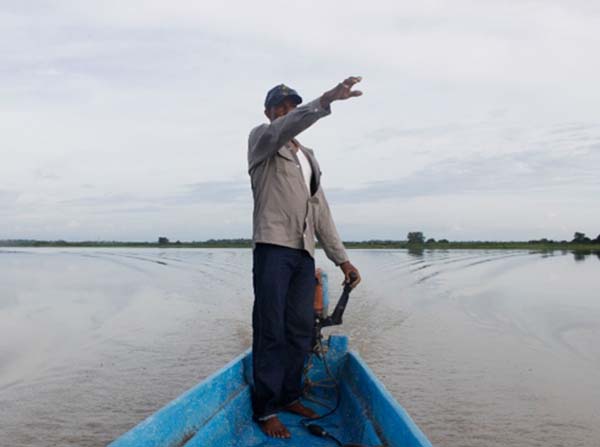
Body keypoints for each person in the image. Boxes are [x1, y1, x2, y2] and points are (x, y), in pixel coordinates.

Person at [247, 77, 363, 438]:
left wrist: (341, 260)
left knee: (299, 330)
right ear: (268, 113)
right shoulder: (262, 141)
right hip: (273, 247)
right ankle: (266, 410)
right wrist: (327, 99)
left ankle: (291, 394)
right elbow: (287, 128)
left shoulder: (309, 158)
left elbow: (321, 212)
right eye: (278, 106)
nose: (286, 110)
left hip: (303, 253)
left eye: (291, 104)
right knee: (271, 330)